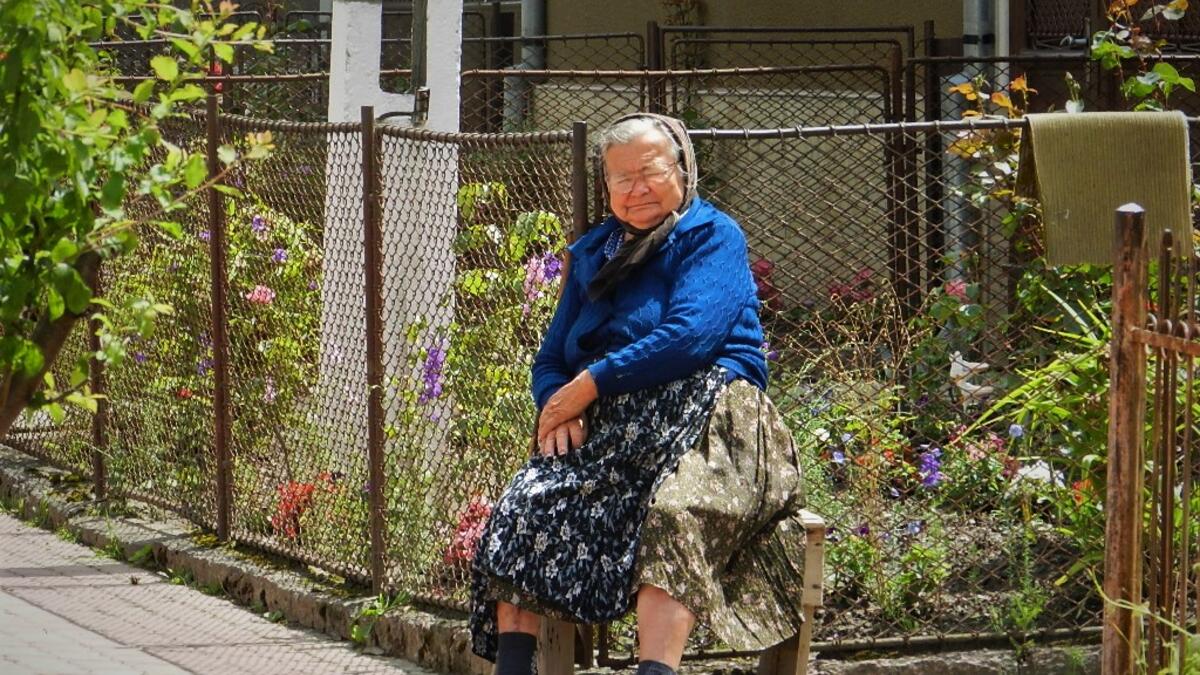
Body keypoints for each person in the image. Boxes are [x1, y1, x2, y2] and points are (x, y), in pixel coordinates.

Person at [470, 113, 807, 675]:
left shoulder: (711, 236)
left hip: (713, 419)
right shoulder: (594, 253)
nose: (636, 189)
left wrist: (588, 385)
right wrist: (557, 403)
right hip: (613, 428)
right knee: (525, 506)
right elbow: (552, 358)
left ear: (682, 172)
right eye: (620, 179)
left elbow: (690, 336)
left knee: (675, 513)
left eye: (650, 173)